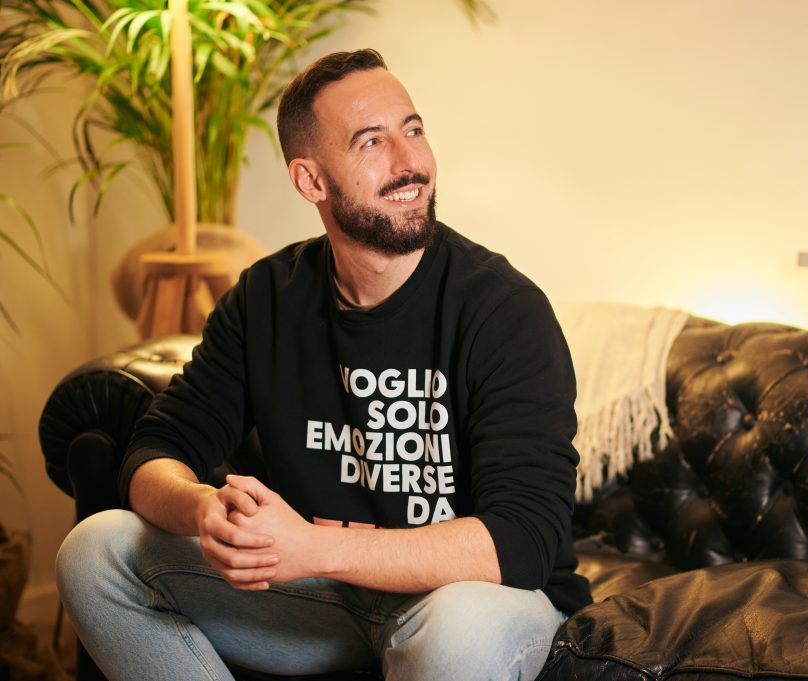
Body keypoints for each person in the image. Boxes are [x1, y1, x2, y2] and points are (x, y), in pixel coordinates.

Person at [56, 49, 591, 681]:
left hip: (476, 600)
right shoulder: (267, 298)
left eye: (413, 130)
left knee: (457, 634)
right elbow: (155, 451)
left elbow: (522, 541)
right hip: (323, 600)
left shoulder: (504, 310)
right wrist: (200, 508)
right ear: (310, 181)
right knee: (94, 553)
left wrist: (311, 546)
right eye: (372, 141)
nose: (410, 162)